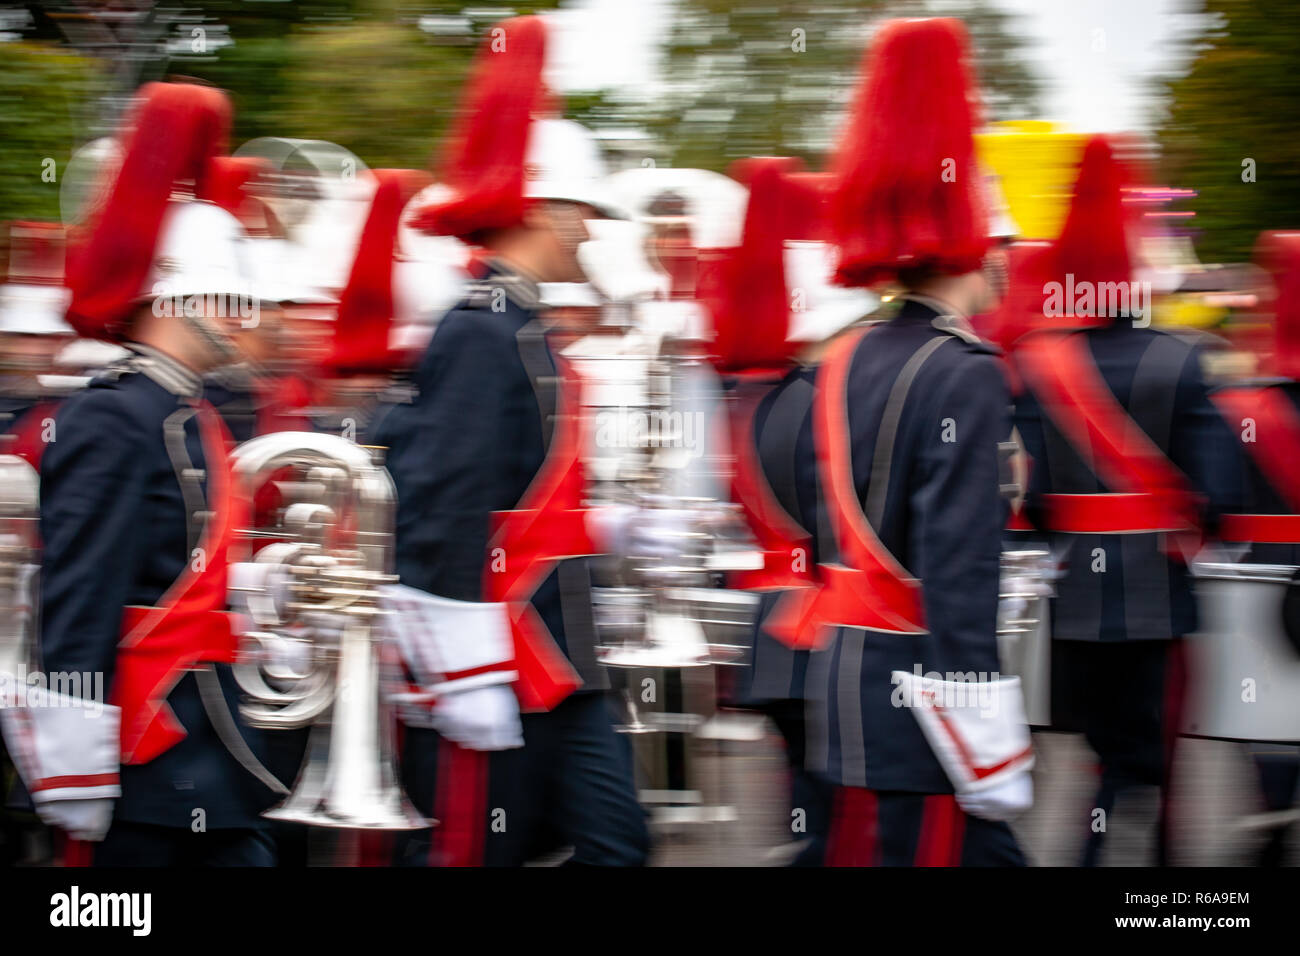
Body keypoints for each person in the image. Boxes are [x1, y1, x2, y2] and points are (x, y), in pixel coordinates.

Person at [370, 15, 649, 866]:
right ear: (536, 209)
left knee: (614, 846)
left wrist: (604, 530)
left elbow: (522, 495)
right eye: (579, 214)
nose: (590, 234)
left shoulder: (519, 327)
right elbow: (443, 501)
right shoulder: (482, 329)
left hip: (556, 651)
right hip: (497, 650)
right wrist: (462, 668)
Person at [768, 17, 1035, 866]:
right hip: (928, 709)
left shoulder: (845, 357)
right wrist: (979, 719)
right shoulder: (966, 369)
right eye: (1006, 245)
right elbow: (957, 568)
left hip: (846, 684)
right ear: (980, 245)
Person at [11, 82, 284, 866]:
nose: (249, 318)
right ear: (176, 293)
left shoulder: (191, 411)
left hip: (203, 747)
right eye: (233, 299)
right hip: (141, 752)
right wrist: (75, 758)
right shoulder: (111, 414)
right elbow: (82, 593)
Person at [1012, 135, 1239, 865]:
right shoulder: (1185, 359)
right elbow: (1219, 496)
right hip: (1158, 596)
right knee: (1153, 760)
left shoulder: (1035, 365)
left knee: (1098, 757)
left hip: (1072, 596)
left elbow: (1032, 500)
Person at [1210, 230, 1300, 866]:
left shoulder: (1239, 406)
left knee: (1271, 716)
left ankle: (1270, 820)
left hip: (1262, 584)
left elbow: (1217, 508)